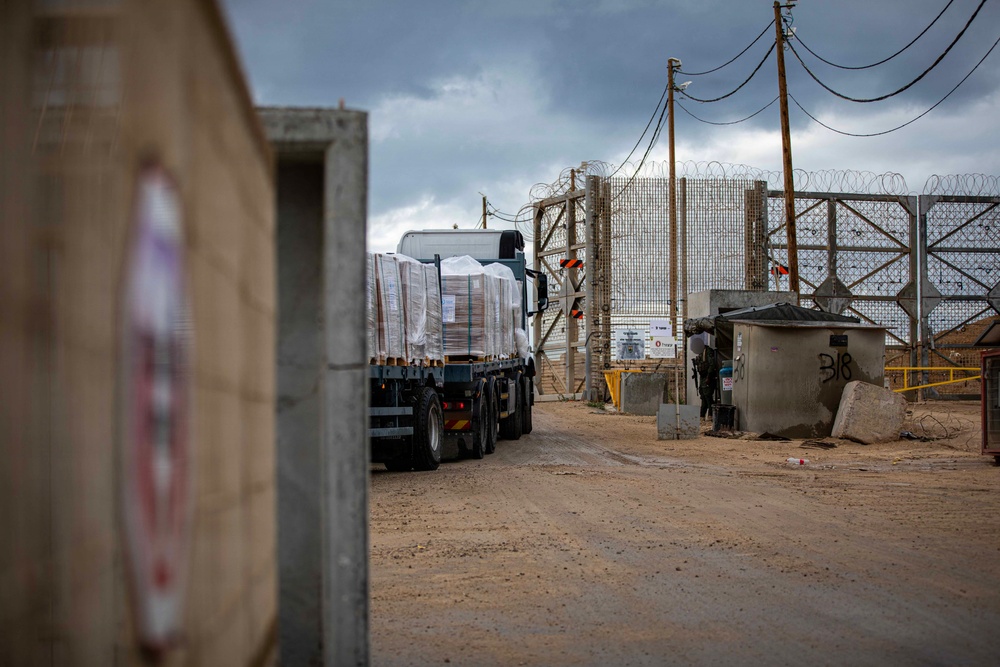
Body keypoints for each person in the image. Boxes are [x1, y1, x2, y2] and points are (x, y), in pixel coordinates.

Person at [692, 348, 719, 420]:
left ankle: (711, 414)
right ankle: (702, 415)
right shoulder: (701, 353)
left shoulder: (708, 352)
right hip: (703, 377)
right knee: (703, 396)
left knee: (708, 396)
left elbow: (712, 365)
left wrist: (709, 376)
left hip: (708, 377)